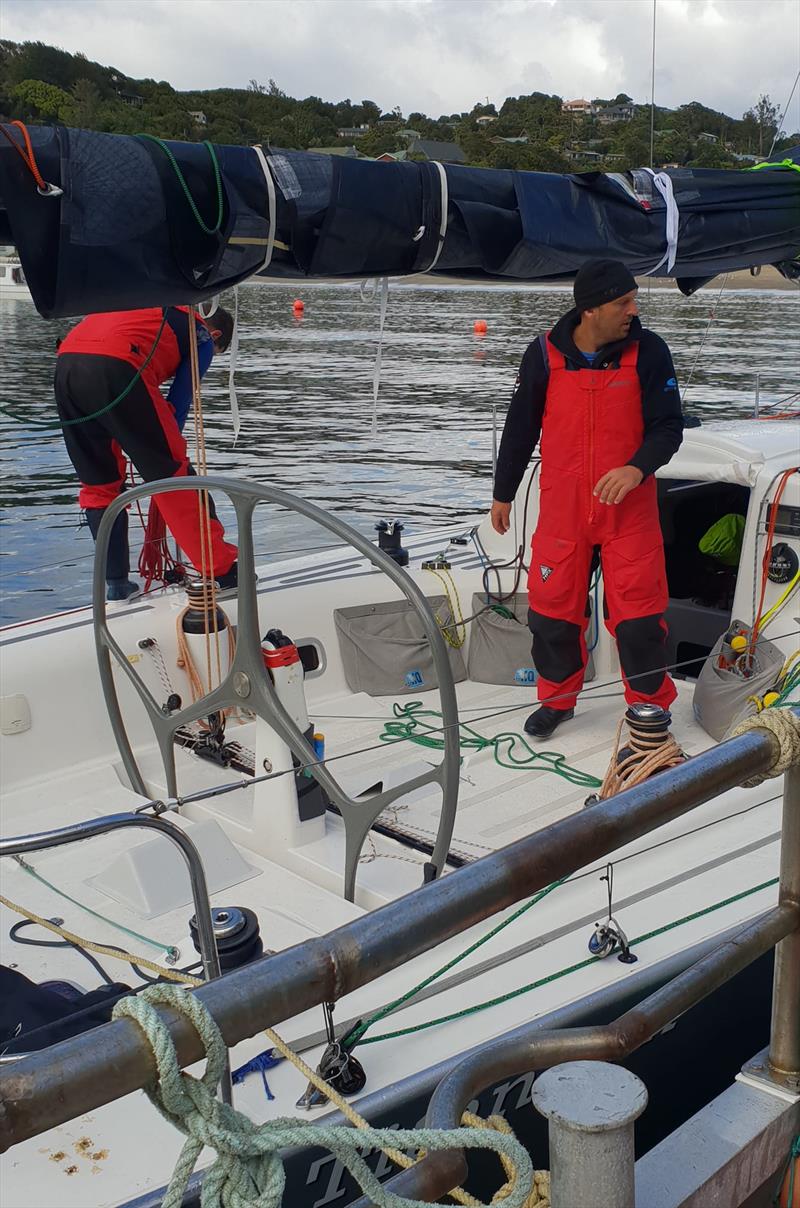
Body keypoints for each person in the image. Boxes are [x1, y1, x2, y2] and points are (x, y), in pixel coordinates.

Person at [491, 259, 684, 738]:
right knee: (552, 615)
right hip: (564, 510)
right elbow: (519, 429)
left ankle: (650, 709)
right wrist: (503, 494)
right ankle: (557, 702)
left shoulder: (650, 351)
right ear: (592, 309)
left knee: (640, 620)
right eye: (624, 302)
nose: (633, 311)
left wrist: (636, 468)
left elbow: (668, 427)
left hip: (629, 510)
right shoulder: (542, 354)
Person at [54, 305, 238, 601]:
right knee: (172, 476)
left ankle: (116, 583)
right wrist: (158, 460)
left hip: (67, 365)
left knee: (99, 484)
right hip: (119, 366)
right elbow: (178, 405)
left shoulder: (143, 304)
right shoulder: (200, 334)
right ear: (215, 334)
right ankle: (223, 570)